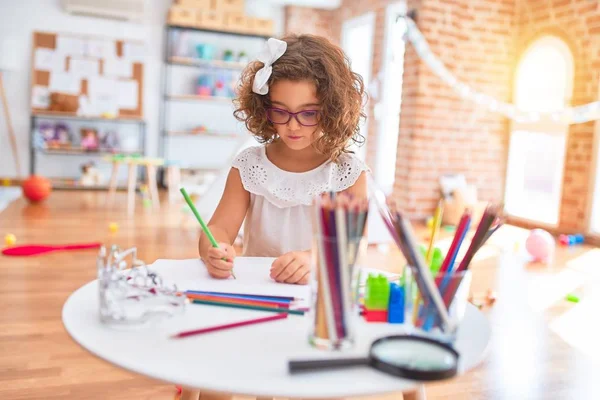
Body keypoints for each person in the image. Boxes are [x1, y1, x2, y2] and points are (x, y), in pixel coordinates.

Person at [198, 34, 369, 286]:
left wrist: (315, 258)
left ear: (332, 109)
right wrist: (214, 249)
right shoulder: (248, 166)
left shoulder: (348, 172)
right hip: (258, 289)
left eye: (309, 113)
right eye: (280, 111)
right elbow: (219, 229)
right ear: (263, 107)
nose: (292, 125)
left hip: (320, 294)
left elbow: (354, 245)